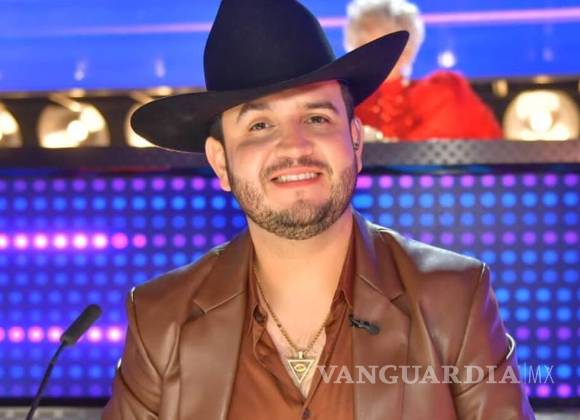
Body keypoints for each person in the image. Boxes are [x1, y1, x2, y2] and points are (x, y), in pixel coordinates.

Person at [102, 0, 534, 418]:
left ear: (356, 142)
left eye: (316, 118)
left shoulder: (453, 298)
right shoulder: (161, 319)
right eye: (259, 125)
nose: (294, 146)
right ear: (221, 162)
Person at [344, 0, 503, 142]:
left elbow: (495, 152)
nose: (368, 54)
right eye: (361, 43)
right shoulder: (343, 101)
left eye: (381, 44)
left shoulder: (445, 94)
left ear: (408, 50)